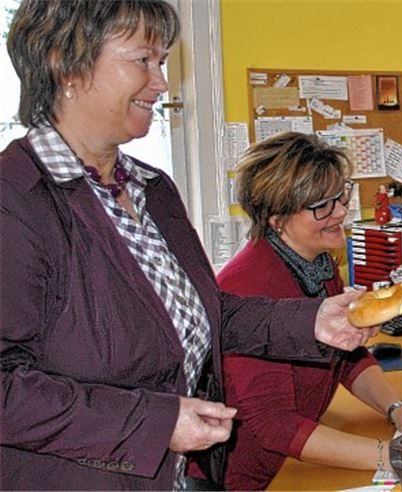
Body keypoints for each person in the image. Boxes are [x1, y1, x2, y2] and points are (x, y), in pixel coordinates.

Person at [1, 2, 372, 489]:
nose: (161, 83)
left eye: (161, 62)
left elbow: (205, 310)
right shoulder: (14, 201)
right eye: (143, 60)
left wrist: (311, 320)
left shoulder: (151, 188)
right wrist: (157, 422)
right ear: (64, 63)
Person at [205, 132, 402, 490]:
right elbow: (274, 425)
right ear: (277, 218)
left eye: (341, 196)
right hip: (258, 478)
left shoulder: (316, 264)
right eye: (322, 205)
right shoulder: (249, 287)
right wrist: (392, 456)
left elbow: (346, 357)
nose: (342, 212)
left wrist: (398, 409)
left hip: (294, 458)